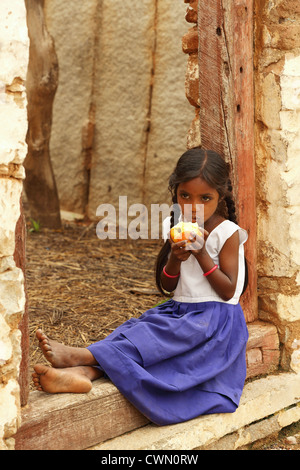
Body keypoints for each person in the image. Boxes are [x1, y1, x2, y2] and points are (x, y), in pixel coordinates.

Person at [33, 148, 249, 426]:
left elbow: (229, 290)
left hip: (214, 325)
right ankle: (84, 373)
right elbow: (168, 286)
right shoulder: (176, 225)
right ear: (176, 193)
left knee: (155, 338)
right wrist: (174, 258)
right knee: (135, 330)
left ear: (221, 196)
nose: (194, 206)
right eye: (185, 196)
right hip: (181, 313)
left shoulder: (227, 233)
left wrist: (202, 254)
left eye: (205, 198)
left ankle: (82, 355)